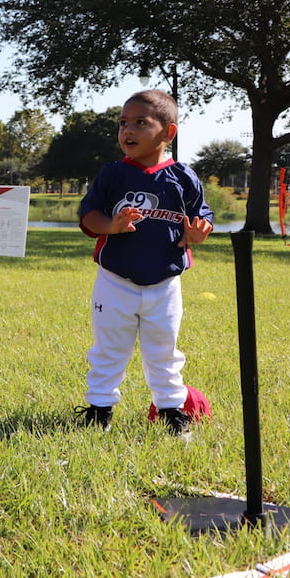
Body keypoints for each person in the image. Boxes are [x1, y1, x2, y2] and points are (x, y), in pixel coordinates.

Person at [75, 89, 214, 436]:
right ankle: (99, 410)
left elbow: (202, 218)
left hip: (165, 284)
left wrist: (199, 233)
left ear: (168, 133)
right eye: (123, 123)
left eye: (140, 122)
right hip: (115, 280)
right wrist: (112, 226)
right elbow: (88, 215)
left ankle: (171, 411)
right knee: (109, 349)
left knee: (164, 351)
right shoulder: (112, 174)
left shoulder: (183, 177)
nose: (128, 130)